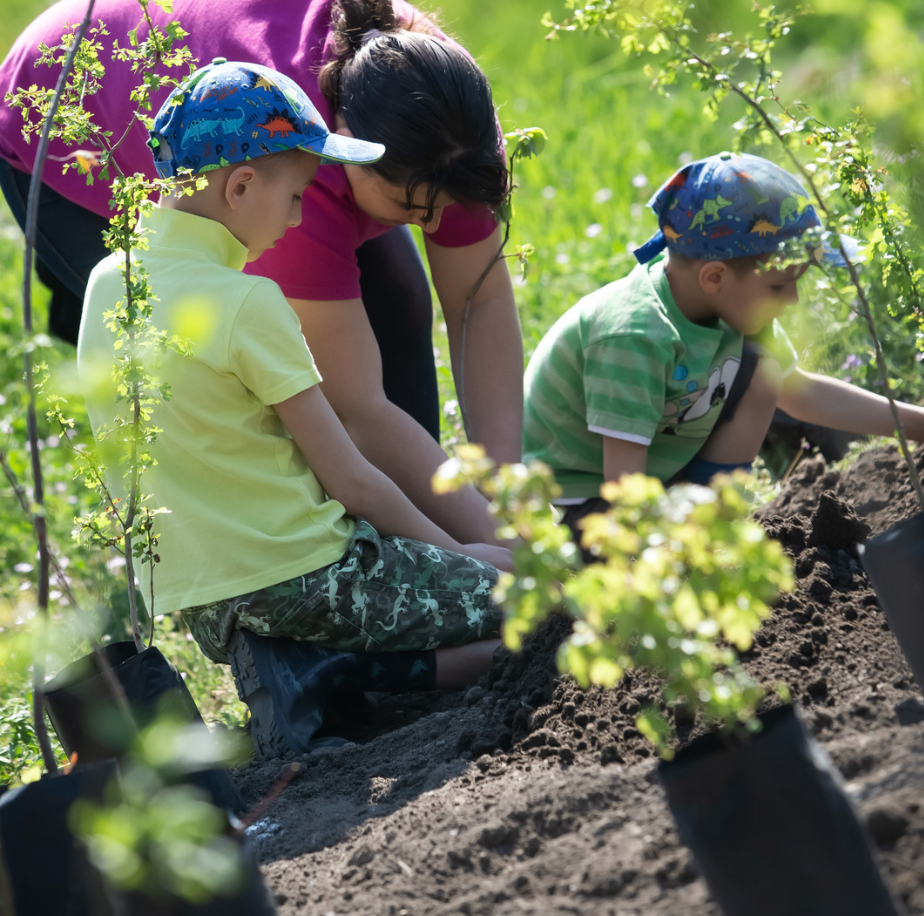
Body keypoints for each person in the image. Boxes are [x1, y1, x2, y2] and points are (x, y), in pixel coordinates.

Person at [77, 58, 510, 759]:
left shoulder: (108, 282)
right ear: (242, 185)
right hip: (308, 578)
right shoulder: (248, 304)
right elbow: (352, 481)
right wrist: (463, 552)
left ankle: (315, 670)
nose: (302, 215)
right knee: (541, 610)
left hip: (206, 604)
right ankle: (329, 666)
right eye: (298, 195)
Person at [0, 0, 521, 546]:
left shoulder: (453, 121)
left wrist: (507, 505)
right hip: (60, 114)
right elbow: (355, 409)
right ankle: (212, 579)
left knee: (401, 304)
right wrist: (494, 558)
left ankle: (424, 553)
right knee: (215, 379)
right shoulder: (289, 168)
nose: (436, 226)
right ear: (350, 148)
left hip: (237, 113)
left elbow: (478, 300)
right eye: (412, 208)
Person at [522, 151, 924, 550]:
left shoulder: (734, 312)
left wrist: (917, 425)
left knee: (764, 372)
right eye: (779, 286)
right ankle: (692, 549)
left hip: (655, 481)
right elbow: (624, 488)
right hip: (576, 506)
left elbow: (803, 394)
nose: (794, 300)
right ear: (715, 276)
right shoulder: (636, 335)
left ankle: (707, 530)